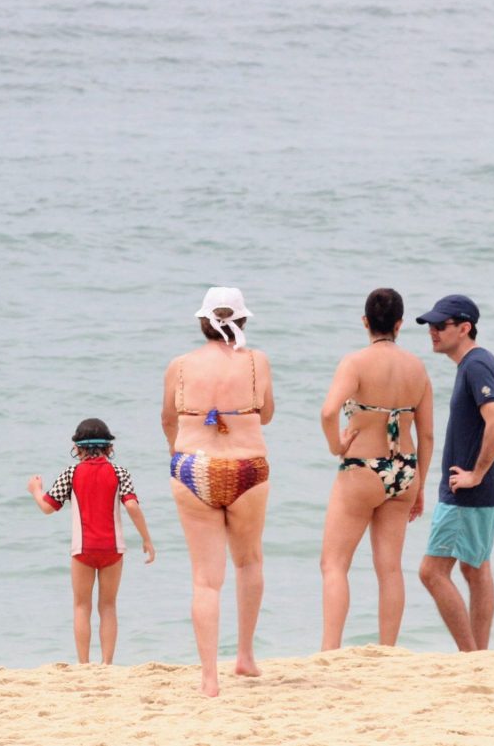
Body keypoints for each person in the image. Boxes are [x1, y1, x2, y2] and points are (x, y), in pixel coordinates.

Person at [161, 286, 275, 697]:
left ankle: (210, 678)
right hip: (247, 467)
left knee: (205, 581)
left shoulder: (179, 365)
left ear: (203, 322)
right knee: (248, 562)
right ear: (241, 321)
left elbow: (167, 420)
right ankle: (244, 657)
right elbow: (268, 413)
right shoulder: (255, 362)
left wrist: (183, 456)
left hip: (193, 467)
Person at [319, 288, 434, 650]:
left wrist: (337, 445)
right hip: (405, 471)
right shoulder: (417, 367)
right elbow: (427, 434)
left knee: (334, 563)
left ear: (365, 321)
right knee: (390, 568)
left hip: (362, 468)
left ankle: (330, 650)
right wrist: (421, 485)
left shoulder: (354, 363)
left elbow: (327, 412)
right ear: (400, 324)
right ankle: (388, 650)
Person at [415, 295, 494, 651]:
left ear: (464, 328)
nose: (433, 333)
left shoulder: (476, 365)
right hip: (479, 491)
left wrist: (475, 474)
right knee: (475, 567)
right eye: (430, 327)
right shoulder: (475, 364)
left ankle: (469, 654)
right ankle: (479, 655)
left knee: (432, 572)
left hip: (466, 492)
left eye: (441, 326)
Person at [27, 417, 155, 664]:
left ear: (77, 448)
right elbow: (131, 505)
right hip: (113, 548)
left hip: (82, 549)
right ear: (110, 448)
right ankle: (107, 663)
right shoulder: (120, 472)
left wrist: (35, 489)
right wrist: (146, 539)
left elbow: (48, 507)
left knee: (81, 606)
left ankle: (84, 664)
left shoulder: (71, 472)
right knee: (108, 606)